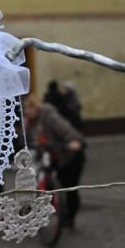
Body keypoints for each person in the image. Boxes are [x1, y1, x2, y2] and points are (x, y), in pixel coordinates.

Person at [21, 95, 86, 228]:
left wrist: (73, 141)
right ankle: (38, 213)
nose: (27, 111)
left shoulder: (48, 114)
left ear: (37, 107)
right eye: (25, 108)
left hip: (70, 155)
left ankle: (69, 219)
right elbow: (26, 143)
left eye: (30, 108)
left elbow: (65, 129)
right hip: (52, 157)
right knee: (46, 183)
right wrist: (24, 129)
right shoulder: (30, 122)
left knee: (70, 188)